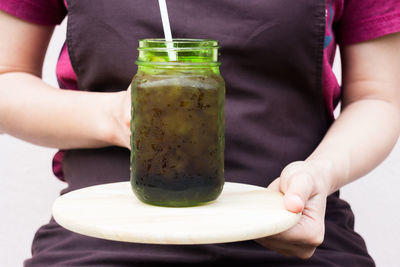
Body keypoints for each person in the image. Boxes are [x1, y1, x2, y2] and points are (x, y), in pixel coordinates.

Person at [0, 0, 399, 266]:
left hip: (292, 223)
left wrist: (320, 174)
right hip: (101, 234)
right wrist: (116, 116)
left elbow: (380, 98)